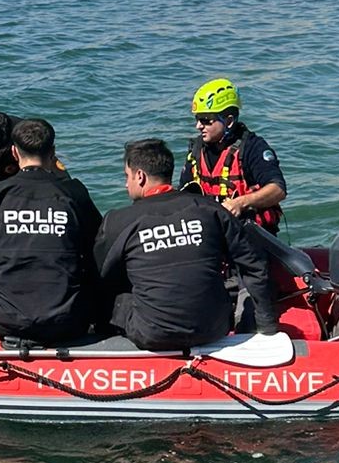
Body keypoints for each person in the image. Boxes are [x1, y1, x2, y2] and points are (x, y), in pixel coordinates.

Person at [94, 138, 280, 352]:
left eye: (127, 177)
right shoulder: (211, 209)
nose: (126, 184)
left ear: (140, 176)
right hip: (214, 327)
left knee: (115, 298)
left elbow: (101, 275)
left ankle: (100, 349)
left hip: (152, 334)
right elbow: (253, 264)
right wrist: (267, 328)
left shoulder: (118, 220)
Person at [0, 117, 102, 344]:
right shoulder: (75, 194)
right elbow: (100, 249)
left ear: (14, 153)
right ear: (53, 151)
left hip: (6, 319)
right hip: (68, 320)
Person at [182, 77, 286, 232]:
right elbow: (183, 193)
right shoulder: (197, 150)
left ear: (228, 121)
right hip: (212, 234)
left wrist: (241, 203)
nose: (198, 126)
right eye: (197, 119)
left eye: (205, 120)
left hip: (250, 237)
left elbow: (278, 189)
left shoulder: (252, 148)